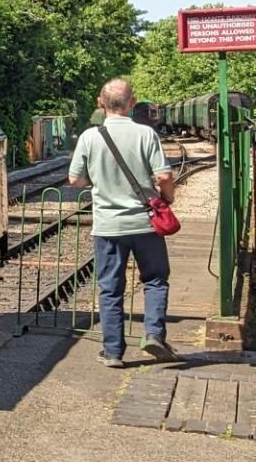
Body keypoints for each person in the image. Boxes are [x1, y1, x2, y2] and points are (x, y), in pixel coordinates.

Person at [67, 78, 180, 368]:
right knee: (155, 280)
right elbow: (164, 176)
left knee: (110, 288)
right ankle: (154, 334)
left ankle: (114, 351)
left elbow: (75, 179)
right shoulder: (146, 134)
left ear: (99, 102)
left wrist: (100, 180)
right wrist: (167, 199)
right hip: (145, 224)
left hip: (108, 227)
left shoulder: (89, 137)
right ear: (132, 103)